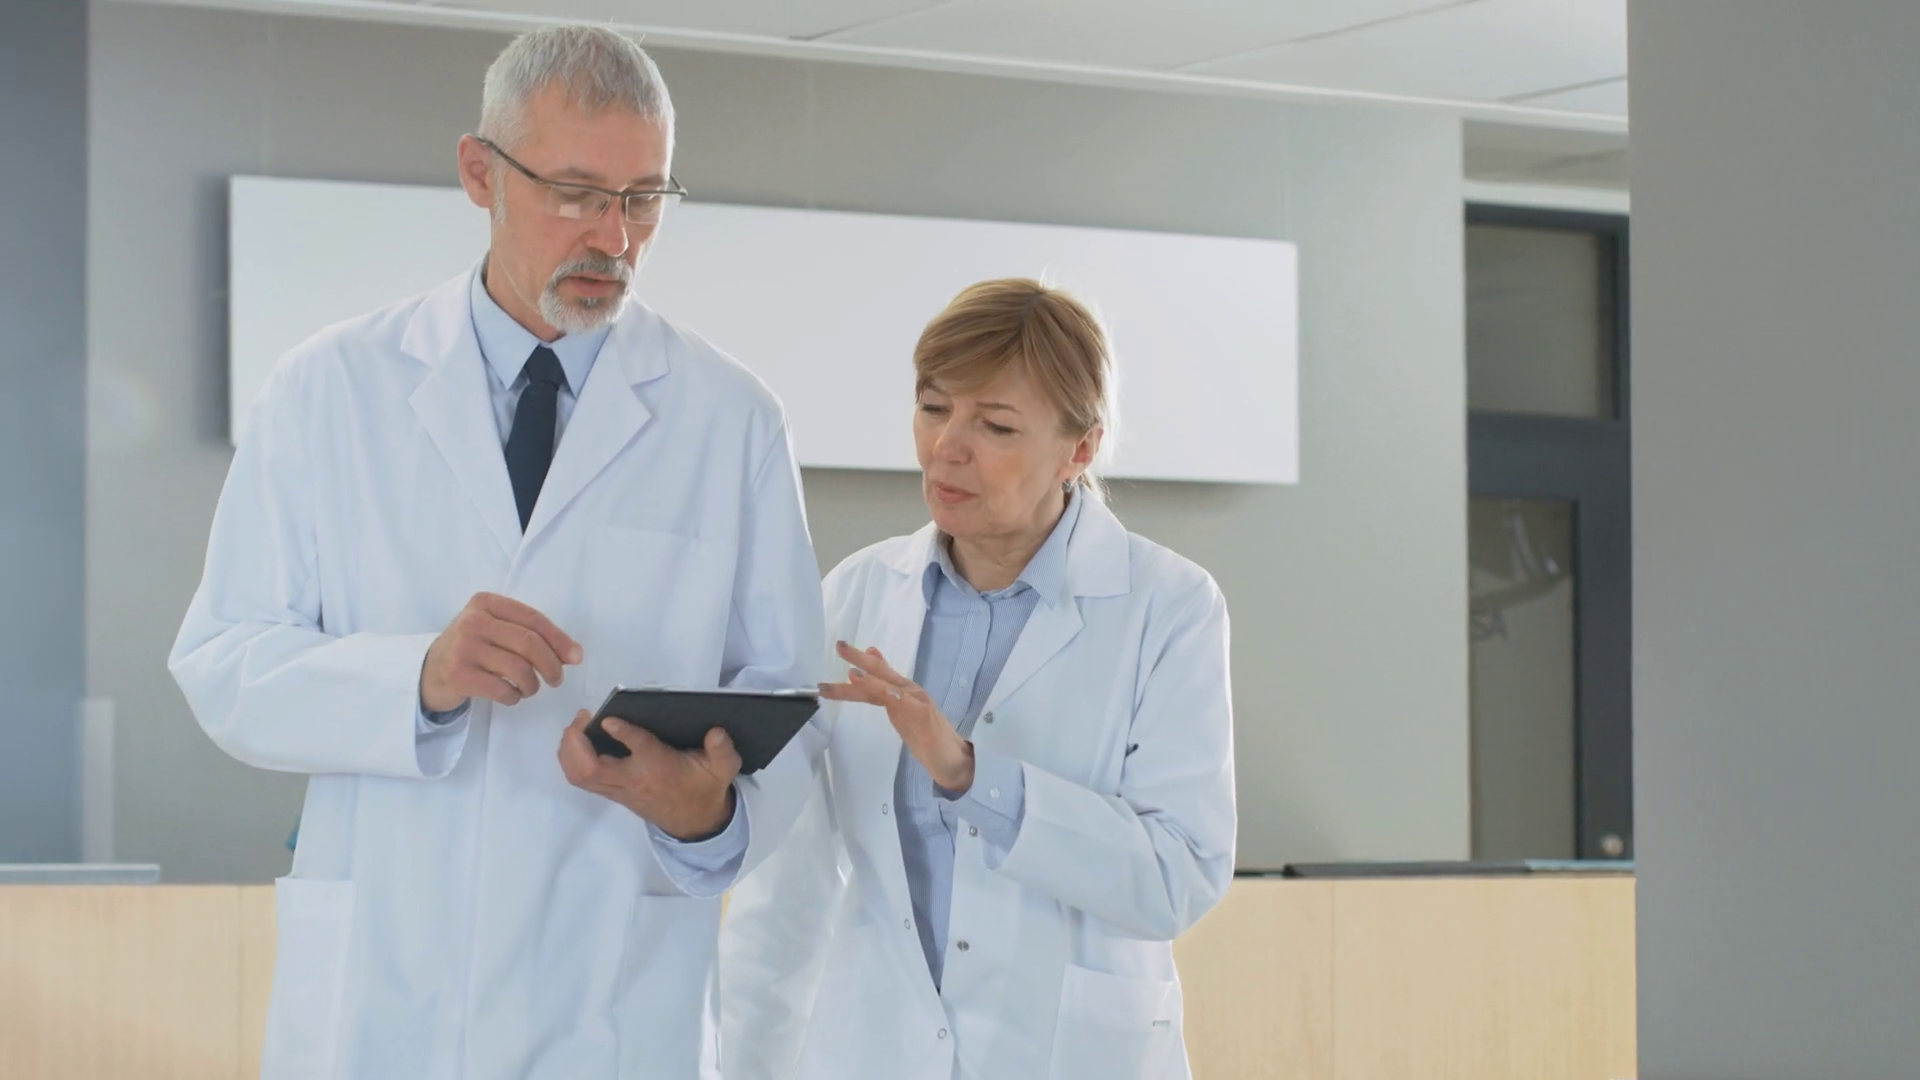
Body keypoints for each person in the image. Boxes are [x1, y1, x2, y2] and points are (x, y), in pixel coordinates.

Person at [170, 26, 824, 1079]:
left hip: (610, 996)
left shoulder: (731, 419)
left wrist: (704, 815)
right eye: (576, 193)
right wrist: (418, 677)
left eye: (644, 197)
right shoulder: (330, 389)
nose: (614, 236)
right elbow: (223, 663)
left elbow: (791, 703)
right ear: (480, 173)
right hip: (389, 992)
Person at [719, 279, 1237, 1080]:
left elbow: (1179, 877)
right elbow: (789, 887)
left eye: (995, 425)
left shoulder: (1169, 608)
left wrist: (971, 777)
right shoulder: (856, 596)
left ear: (1080, 449)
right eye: (933, 408)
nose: (947, 448)